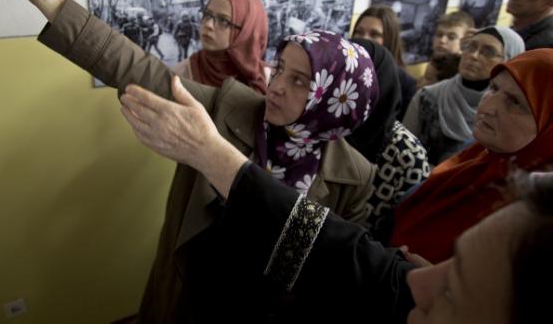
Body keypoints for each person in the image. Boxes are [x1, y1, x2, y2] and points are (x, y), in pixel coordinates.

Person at [0, 0, 380, 324]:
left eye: (300, 81)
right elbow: (136, 67)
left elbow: (334, 273)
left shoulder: (355, 178)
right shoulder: (231, 106)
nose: (276, 86)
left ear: (334, 100)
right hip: (194, 297)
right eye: (280, 69)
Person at [119, 71, 553, 324]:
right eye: (449, 263)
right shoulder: (462, 172)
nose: (417, 278)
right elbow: (342, 251)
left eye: (456, 288)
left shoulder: (358, 169)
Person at [392, 48, 553, 263]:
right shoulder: (476, 158)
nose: (487, 107)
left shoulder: (538, 220)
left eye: (515, 102)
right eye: (493, 88)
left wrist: (443, 286)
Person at [403, 26, 525, 165]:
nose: (473, 55)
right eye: (470, 47)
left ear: (509, 62)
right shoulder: (427, 97)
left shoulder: (508, 113)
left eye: (488, 52)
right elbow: (403, 153)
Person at [346, 39, 431, 235]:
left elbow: (404, 231)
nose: (347, 88)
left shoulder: (407, 153)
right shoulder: (318, 127)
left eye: (360, 78)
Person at [170, 0, 270, 95]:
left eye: (223, 20)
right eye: (207, 15)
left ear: (246, 32)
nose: (208, 24)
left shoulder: (271, 81)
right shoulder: (181, 75)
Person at [352, 5, 416, 119]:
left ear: (390, 39)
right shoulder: (345, 72)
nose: (364, 39)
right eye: (359, 32)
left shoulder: (406, 86)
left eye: (374, 34)